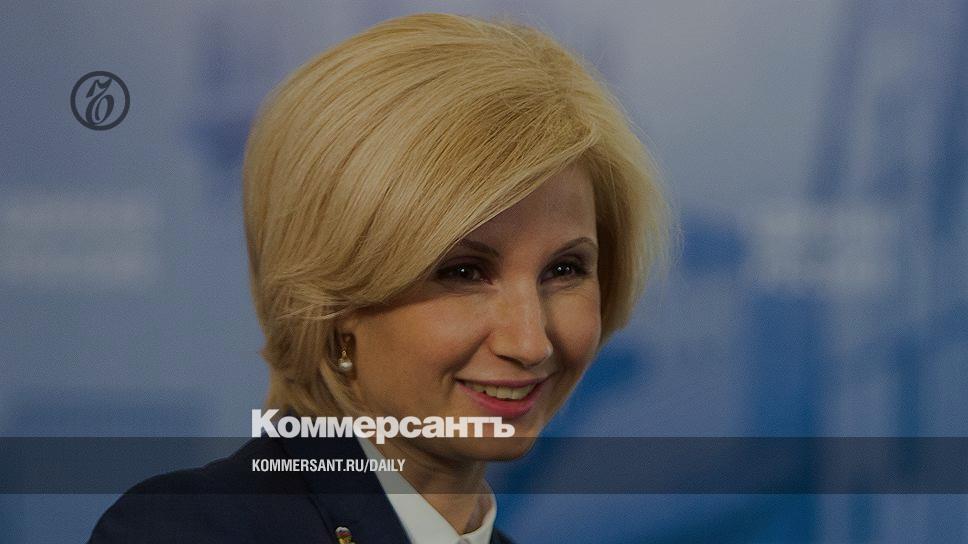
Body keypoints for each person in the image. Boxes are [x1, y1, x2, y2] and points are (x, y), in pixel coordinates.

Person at [89, 11, 668, 544]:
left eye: (565, 269)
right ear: (333, 302)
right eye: (463, 272)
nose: (531, 341)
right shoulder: (189, 532)